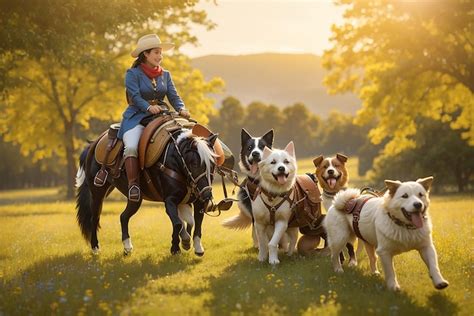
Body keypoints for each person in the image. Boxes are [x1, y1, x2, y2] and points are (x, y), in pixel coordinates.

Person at [118, 34, 190, 202]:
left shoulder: (165, 74)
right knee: (131, 148)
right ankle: (133, 185)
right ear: (146, 54)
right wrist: (148, 107)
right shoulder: (132, 74)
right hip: (136, 117)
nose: (160, 56)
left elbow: (174, 96)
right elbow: (135, 97)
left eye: (160, 52)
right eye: (156, 52)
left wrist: (181, 108)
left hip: (162, 116)